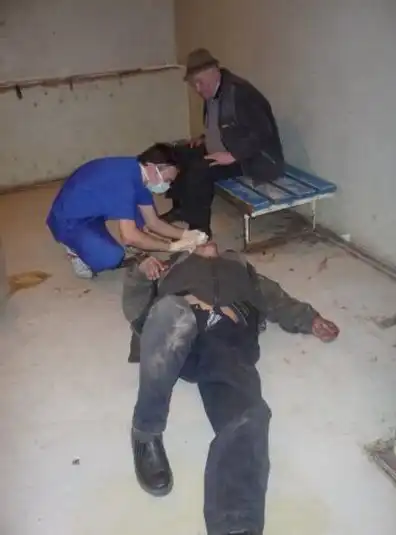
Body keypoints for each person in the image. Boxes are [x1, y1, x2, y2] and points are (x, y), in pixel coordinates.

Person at [122, 243, 339, 535]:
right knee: (171, 312)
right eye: (199, 242)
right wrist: (139, 273)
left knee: (248, 417)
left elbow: (276, 299)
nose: (208, 242)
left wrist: (309, 319)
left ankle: (235, 525)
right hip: (177, 331)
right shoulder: (172, 267)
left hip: (227, 340)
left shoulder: (242, 269)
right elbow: (134, 309)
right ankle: (145, 431)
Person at [161, 48, 285, 237]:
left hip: (250, 160)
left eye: (200, 82)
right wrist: (204, 138)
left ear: (214, 72)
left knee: (199, 171)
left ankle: (200, 232)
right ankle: (180, 209)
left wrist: (233, 155)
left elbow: (263, 133)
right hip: (225, 150)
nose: (197, 89)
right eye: (194, 84)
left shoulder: (241, 93)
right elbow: (225, 126)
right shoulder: (212, 91)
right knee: (176, 154)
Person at [46, 143, 207, 279]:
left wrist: (186, 235)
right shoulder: (124, 183)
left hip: (92, 212)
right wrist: (171, 247)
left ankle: (127, 245)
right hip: (67, 221)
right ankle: (75, 251)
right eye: (167, 180)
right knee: (111, 257)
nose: (168, 185)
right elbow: (129, 236)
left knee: (141, 224)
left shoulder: (139, 174)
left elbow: (153, 222)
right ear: (153, 167)